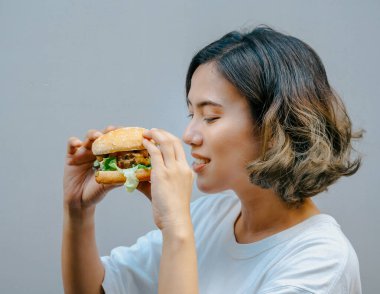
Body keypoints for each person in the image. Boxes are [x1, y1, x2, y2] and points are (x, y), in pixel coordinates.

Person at [62, 26, 363, 294]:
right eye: (192, 114)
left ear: (275, 127)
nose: (188, 134)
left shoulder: (322, 262)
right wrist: (78, 212)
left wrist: (176, 227)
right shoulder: (211, 215)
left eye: (211, 116)